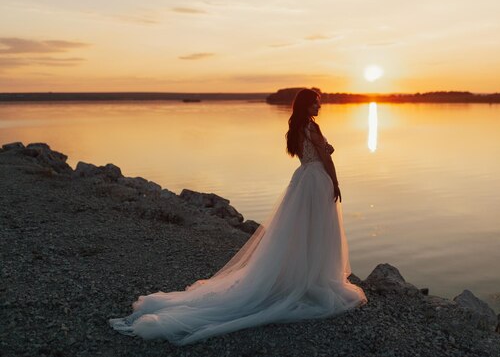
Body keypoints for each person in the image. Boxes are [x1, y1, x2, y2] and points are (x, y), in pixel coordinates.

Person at [109, 88, 367, 345]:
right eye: (315, 104)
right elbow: (324, 158)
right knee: (317, 230)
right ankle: (312, 278)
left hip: (302, 180)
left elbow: (308, 155)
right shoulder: (313, 127)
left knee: (301, 230)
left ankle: (301, 275)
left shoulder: (296, 128)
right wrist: (335, 182)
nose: (318, 108)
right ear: (306, 105)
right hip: (317, 181)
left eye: (318, 104)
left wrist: (325, 152)